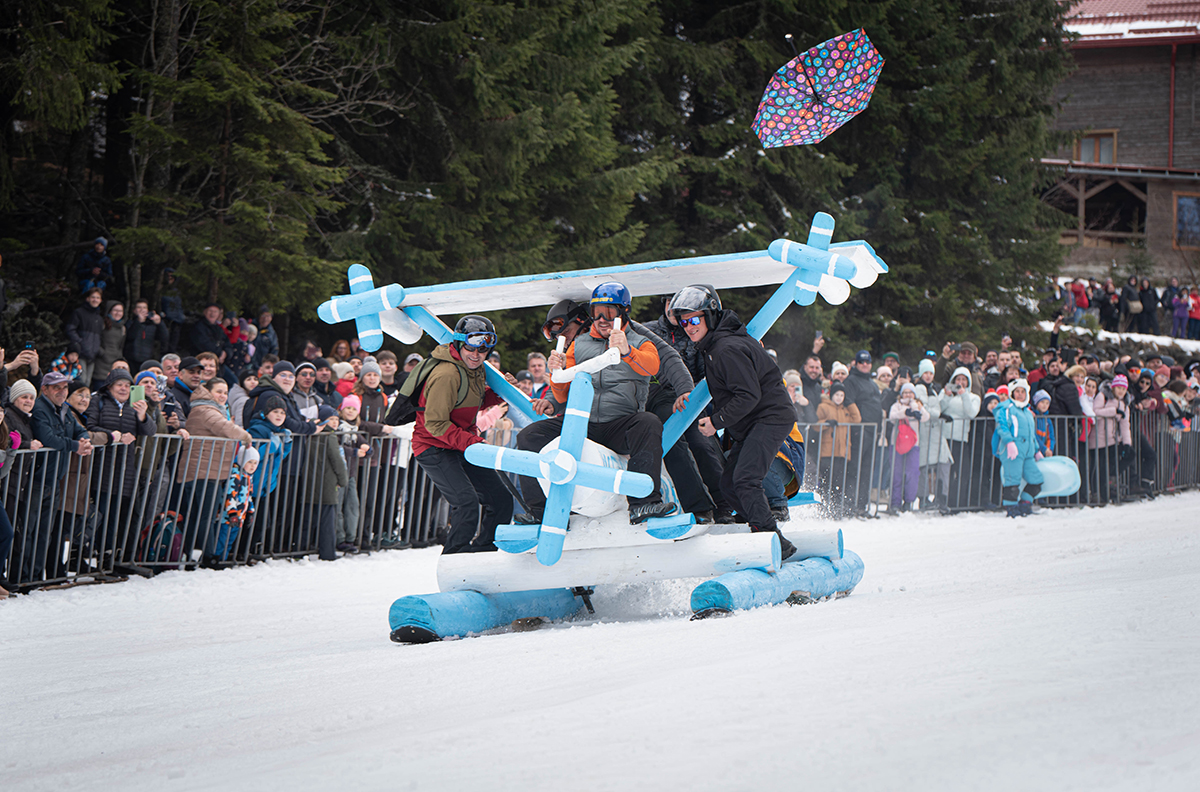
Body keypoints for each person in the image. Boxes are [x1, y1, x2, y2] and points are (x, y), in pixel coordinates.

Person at [523, 283, 676, 525]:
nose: (602, 319)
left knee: (649, 422)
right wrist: (556, 372)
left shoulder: (640, 341)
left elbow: (652, 366)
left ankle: (643, 503)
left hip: (619, 424)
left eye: (610, 312)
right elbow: (561, 396)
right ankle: (540, 511)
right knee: (529, 436)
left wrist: (627, 351)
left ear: (623, 312)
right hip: (583, 424)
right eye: (597, 312)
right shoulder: (579, 344)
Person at [670, 284, 795, 558]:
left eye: (694, 319)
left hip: (769, 417)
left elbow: (748, 395)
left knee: (745, 479)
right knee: (729, 483)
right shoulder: (714, 345)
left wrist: (716, 421)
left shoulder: (726, 348)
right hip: (753, 420)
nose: (688, 327)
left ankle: (772, 541)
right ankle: (754, 525)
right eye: (683, 322)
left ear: (710, 316)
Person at [411, 315, 516, 554]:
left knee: (500, 499)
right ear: (459, 343)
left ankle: (484, 553)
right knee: (466, 503)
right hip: (433, 445)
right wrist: (472, 442)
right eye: (471, 346)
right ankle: (454, 558)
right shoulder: (446, 374)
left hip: (459, 443)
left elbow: (470, 401)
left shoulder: (475, 369)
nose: (476, 354)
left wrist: (499, 394)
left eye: (484, 349)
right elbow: (435, 423)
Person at [28, 372, 94, 581]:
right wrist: (76, 446)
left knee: (45, 532)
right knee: (31, 530)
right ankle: (24, 576)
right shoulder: (40, 408)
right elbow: (48, 438)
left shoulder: (64, 408)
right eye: (57, 387)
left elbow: (78, 429)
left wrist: (83, 439)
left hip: (55, 478)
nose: (62, 391)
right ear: (45, 389)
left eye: (65, 387)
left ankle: (37, 576)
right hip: (38, 478)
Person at [990, 378, 1044, 517]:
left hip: (1028, 452)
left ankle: (1025, 504)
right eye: (1017, 391)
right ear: (1012, 393)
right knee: (1012, 481)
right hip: (1012, 450)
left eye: (1023, 391)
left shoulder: (1027, 411)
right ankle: (1011, 508)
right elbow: (1002, 425)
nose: (1020, 394)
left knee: (1036, 480)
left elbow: (1032, 433)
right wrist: (1009, 442)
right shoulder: (1007, 408)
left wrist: (1037, 450)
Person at [303, 405, 348, 561]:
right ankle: (327, 552)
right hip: (327, 483)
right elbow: (337, 460)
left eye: (336, 419)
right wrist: (343, 480)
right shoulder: (329, 436)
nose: (335, 423)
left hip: (311, 482)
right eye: (331, 419)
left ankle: (302, 548)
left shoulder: (311, 435)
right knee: (328, 520)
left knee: (309, 517)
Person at [815, 382, 859, 519]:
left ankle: (836, 510)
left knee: (839, 482)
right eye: (837, 395)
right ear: (831, 395)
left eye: (842, 395)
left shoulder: (845, 409)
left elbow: (857, 419)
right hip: (827, 450)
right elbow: (815, 425)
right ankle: (824, 509)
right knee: (827, 481)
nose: (839, 398)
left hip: (842, 451)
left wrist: (850, 403)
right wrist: (826, 423)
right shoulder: (823, 407)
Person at [888, 382, 929, 513]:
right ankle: (895, 502)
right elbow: (892, 417)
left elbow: (925, 417)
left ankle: (908, 501)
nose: (908, 395)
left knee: (912, 473)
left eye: (910, 392)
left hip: (913, 444)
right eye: (905, 392)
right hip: (897, 443)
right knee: (897, 473)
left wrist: (917, 409)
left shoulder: (917, 405)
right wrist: (906, 412)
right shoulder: (896, 405)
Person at [64, 288, 105, 385]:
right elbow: (70, 330)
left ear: (101, 300)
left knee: (87, 382)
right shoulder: (79, 313)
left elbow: (101, 337)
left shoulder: (99, 318)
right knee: (81, 381)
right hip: (80, 354)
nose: (95, 300)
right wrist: (81, 343)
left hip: (93, 355)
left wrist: (99, 350)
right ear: (88, 298)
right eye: (93, 297)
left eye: (98, 298)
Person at [124, 299, 168, 369]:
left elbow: (164, 338)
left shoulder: (152, 325)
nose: (142, 310)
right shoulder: (130, 323)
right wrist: (138, 322)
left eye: (144, 307)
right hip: (131, 360)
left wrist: (160, 323)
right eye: (139, 307)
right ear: (134, 310)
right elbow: (129, 336)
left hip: (147, 359)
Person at [170, 356, 206, 422]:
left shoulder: (204, 394)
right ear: (180, 375)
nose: (196, 376)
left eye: (199, 372)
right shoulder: (173, 396)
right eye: (191, 372)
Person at [1032, 390, 1056, 457]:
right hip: (1034, 451)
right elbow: (1034, 436)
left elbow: (1051, 437)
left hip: (1045, 452)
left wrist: (1049, 449)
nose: (1045, 405)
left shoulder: (1048, 420)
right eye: (1042, 402)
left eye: (1047, 403)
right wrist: (1044, 449)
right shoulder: (1033, 417)